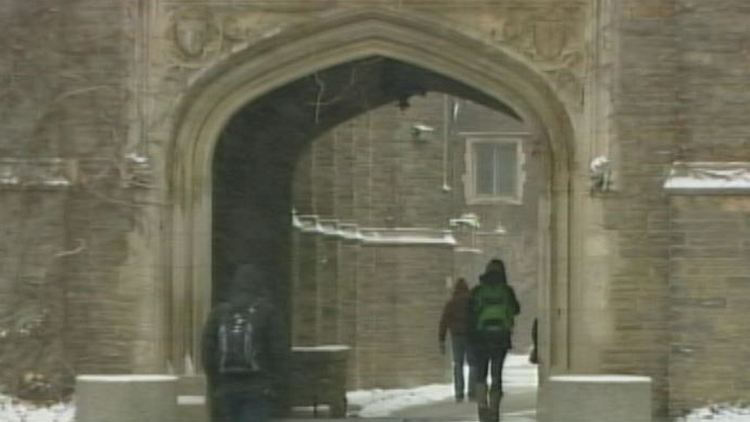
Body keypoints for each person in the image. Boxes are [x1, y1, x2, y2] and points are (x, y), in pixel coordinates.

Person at [202, 264, 289, 422]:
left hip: (226, 388)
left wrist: (216, 383)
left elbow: (207, 353)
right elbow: (279, 352)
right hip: (258, 387)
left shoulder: (219, 313)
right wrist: (274, 384)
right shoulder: (267, 312)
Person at [468, 259, 520, 422]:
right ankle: (494, 411)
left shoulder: (478, 290)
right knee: (496, 374)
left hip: (481, 337)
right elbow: (516, 309)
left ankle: (482, 408)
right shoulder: (506, 291)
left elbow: (470, 312)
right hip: (501, 337)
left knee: (481, 374)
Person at [438, 277, 475, 402]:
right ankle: (472, 391)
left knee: (458, 364)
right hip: (471, 336)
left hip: (456, 336)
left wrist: (441, 339)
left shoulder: (451, 303)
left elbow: (444, 322)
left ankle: (459, 392)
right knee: (473, 364)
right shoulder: (472, 301)